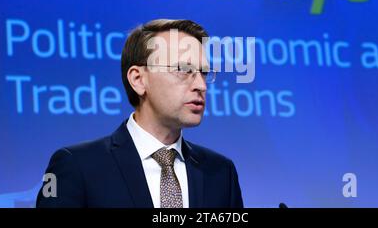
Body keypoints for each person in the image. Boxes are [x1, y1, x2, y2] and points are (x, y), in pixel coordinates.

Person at [36, 19, 243, 208]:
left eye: (203, 73)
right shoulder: (77, 166)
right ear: (138, 79)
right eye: (183, 70)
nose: (201, 85)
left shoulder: (221, 172)